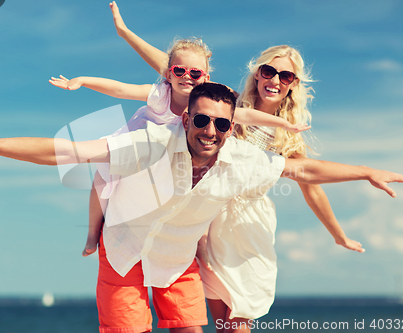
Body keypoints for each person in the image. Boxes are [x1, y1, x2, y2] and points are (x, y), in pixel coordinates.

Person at [0, 82, 403, 333]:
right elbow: (70, 152)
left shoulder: (243, 159)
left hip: (177, 261)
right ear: (186, 117)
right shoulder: (151, 141)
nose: (210, 132)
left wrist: (366, 171)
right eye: (201, 120)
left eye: (221, 125)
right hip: (123, 254)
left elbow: (304, 171)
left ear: (231, 127)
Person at [107, 3, 367, 331]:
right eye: (268, 71)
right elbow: (180, 70)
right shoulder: (229, 106)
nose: (274, 80)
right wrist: (126, 34)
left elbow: (311, 185)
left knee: (240, 316)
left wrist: (338, 234)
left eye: (285, 75)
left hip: (249, 224)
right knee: (221, 320)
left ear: (293, 84)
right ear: (257, 73)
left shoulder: (291, 138)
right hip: (207, 216)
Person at [49, 36, 309, 257]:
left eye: (195, 73)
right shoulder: (159, 93)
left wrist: (284, 125)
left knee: (195, 191)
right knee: (103, 178)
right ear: (168, 74)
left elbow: (246, 116)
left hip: (171, 152)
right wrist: (82, 80)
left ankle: (196, 247)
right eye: (179, 71)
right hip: (140, 140)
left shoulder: (206, 100)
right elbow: (119, 89)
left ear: (204, 77)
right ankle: (93, 233)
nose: (187, 77)